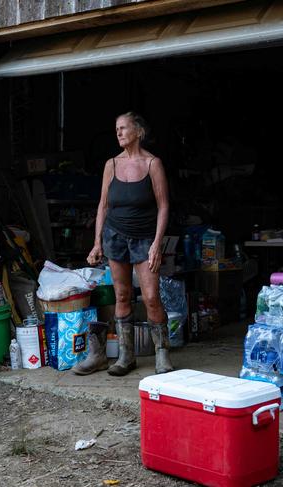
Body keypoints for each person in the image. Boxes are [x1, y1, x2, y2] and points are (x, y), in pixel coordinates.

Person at [73, 112, 173, 376]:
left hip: (144, 238)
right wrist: (97, 243)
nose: (118, 133)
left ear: (138, 131)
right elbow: (103, 205)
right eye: (116, 129)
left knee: (151, 297)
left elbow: (163, 206)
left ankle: (162, 353)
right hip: (115, 237)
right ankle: (126, 356)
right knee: (122, 295)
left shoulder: (153, 164)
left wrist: (156, 243)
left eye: (123, 128)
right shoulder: (111, 165)